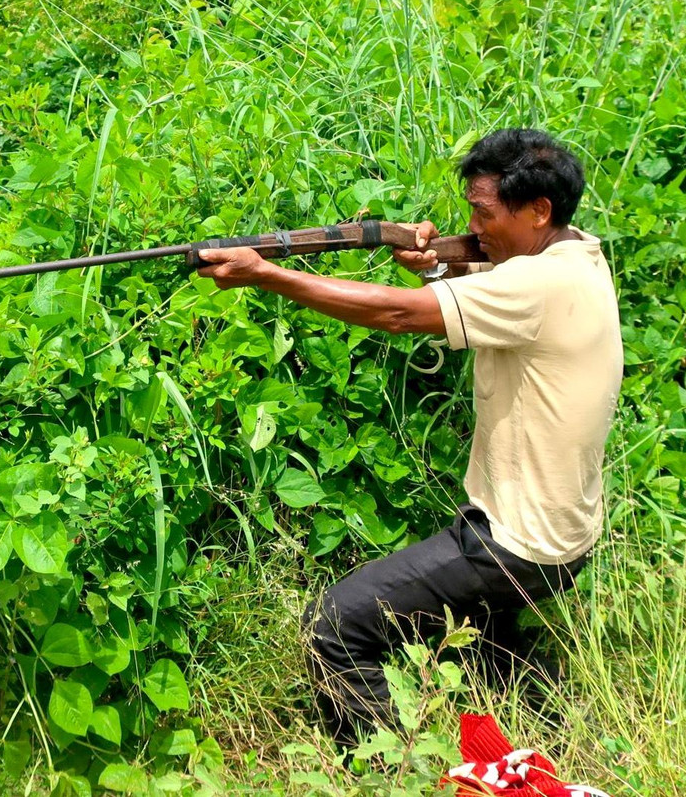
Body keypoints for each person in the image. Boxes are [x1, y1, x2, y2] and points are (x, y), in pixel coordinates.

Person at [194, 128, 622, 747]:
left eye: (483, 213)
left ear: (539, 211)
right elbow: (487, 267)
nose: (474, 226)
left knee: (334, 627)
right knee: (482, 644)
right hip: (566, 533)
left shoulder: (536, 285)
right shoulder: (577, 256)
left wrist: (268, 275)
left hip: (516, 544)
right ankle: (550, 725)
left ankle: (386, 769)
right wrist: (442, 261)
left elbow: (398, 313)